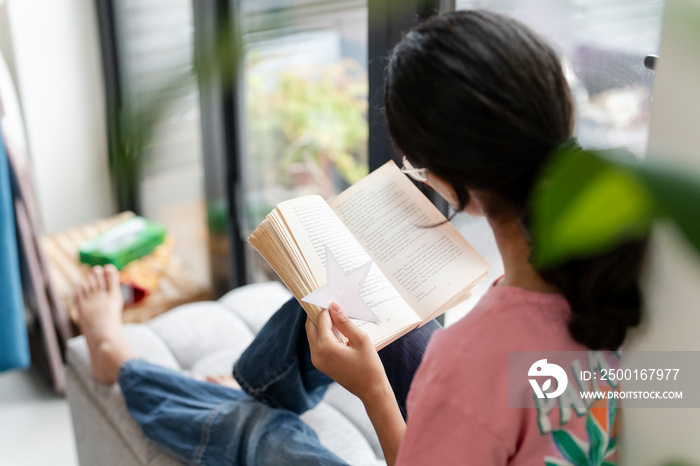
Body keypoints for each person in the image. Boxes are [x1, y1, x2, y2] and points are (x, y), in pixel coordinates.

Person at [75, 10, 647, 465]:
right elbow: (625, 389)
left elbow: (489, 384)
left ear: (454, 183)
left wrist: (371, 387)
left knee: (260, 435)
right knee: (359, 295)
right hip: (515, 400)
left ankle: (121, 363)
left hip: (483, 394)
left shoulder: (470, 357)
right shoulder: (634, 265)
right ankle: (255, 379)